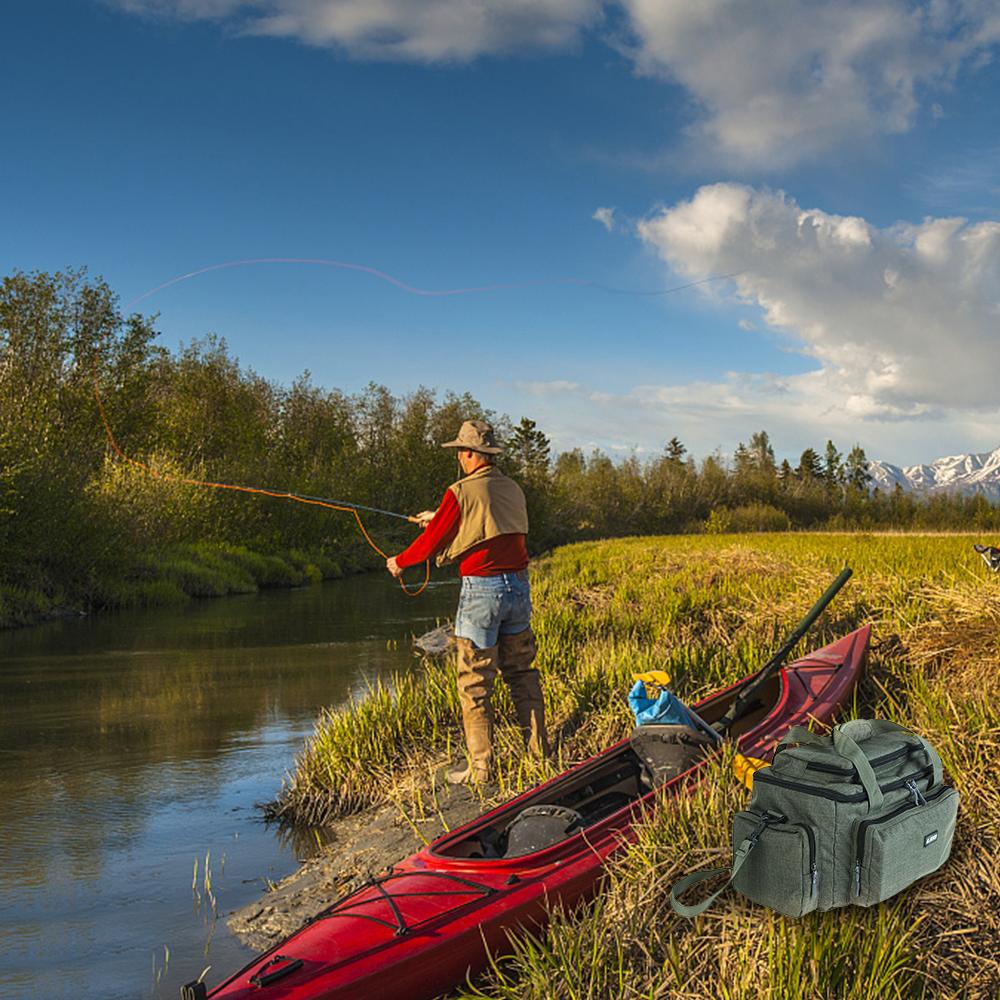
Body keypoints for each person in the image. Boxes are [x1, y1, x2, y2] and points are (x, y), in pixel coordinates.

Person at [386, 419, 549, 784]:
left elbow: (430, 545)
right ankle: (540, 758)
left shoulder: (460, 492)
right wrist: (436, 518)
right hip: (519, 590)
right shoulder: (513, 489)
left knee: (474, 682)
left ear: (474, 454)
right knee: (522, 674)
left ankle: (481, 769)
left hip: (482, 592)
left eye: (462, 450)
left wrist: (400, 561)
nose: (459, 456)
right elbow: (483, 523)